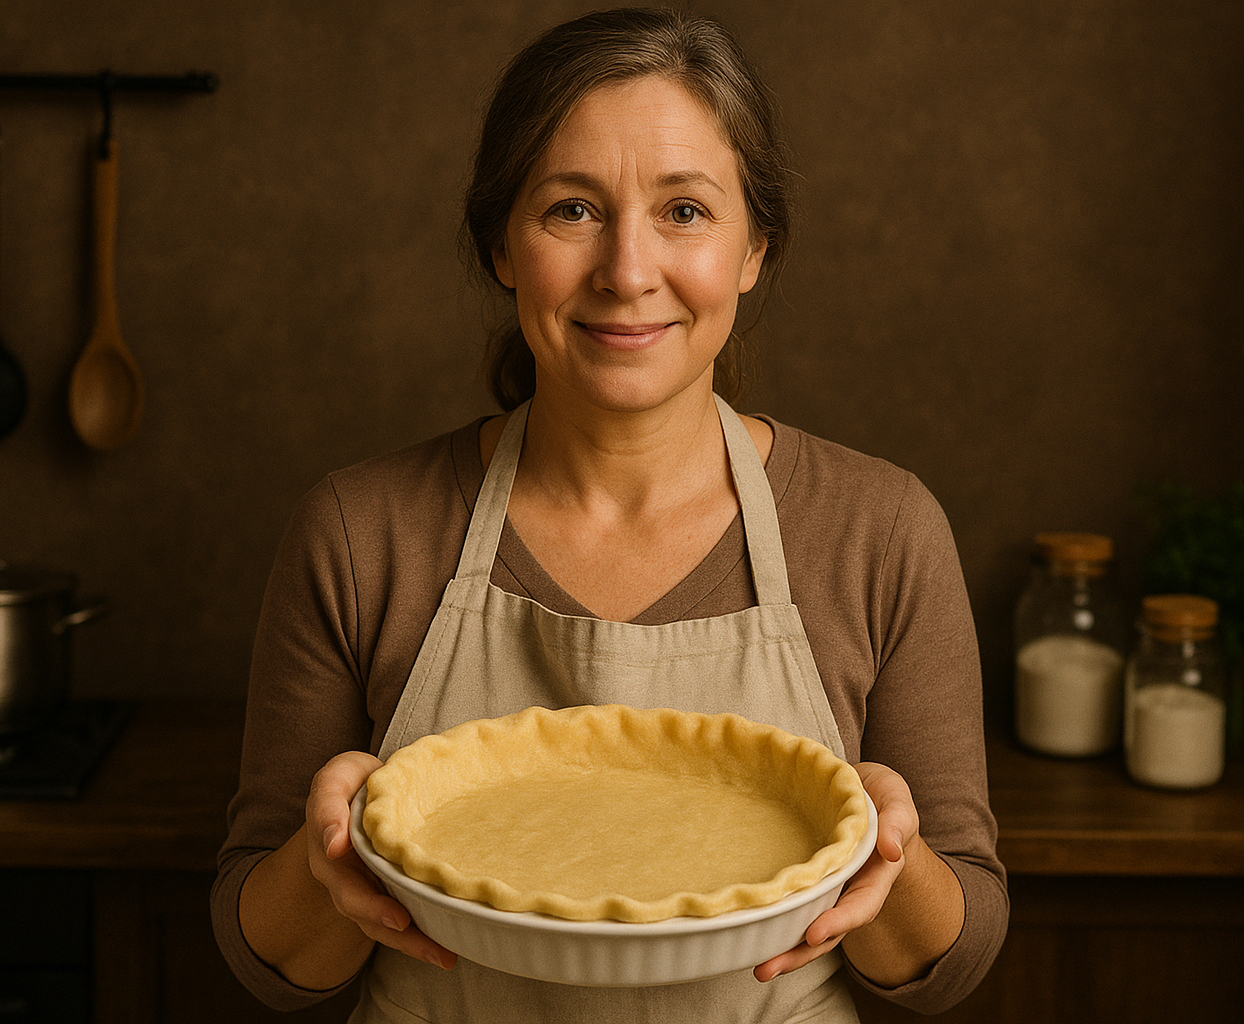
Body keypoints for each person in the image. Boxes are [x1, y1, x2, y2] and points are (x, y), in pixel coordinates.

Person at [212, 8, 1007, 1022]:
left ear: (755, 247)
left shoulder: (880, 531)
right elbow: (266, 958)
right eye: (572, 210)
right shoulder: (360, 532)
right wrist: (320, 864)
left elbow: (957, 954)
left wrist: (895, 858)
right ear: (503, 245)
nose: (628, 272)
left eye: (685, 211)